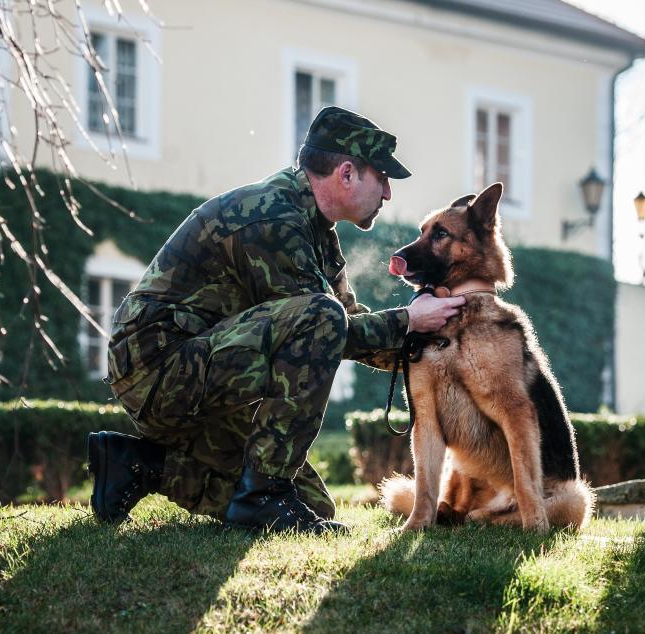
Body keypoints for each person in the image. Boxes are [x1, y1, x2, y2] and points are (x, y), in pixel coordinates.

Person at [88, 106, 465, 534]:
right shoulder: (273, 218)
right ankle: (261, 497)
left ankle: (138, 466)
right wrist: (409, 321)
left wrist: (436, 334)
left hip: (200, 368)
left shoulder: (318, 233)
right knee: (322, 316)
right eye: (382, 178)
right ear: (346, 173)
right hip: (157, 370)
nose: (388, 194)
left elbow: (351, 325)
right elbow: (327, 329)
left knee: (313, 505)